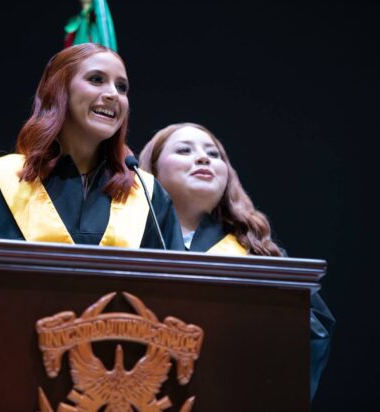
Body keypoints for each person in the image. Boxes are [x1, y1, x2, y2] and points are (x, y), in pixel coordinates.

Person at [139, 122, 334, 399]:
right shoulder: (128, 239)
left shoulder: (258, 252)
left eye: (214, 154)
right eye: (184, 150)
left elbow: (311, 334)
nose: (203, 158)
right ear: (152, 171)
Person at [0, 43, 182, 250]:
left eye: (121, 87)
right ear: (59, 90)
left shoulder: (146, 196)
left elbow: (173, 281)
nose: (113, 94)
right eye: (96, 79)